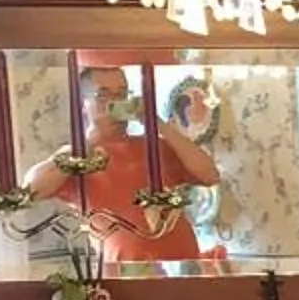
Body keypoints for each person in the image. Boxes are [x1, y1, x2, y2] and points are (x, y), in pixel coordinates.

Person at [24, 61, 218, 266]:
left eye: (122, 94)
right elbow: (31, 190)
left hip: (182, 267)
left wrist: (157, 124)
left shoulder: (154, 147)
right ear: (83, 105)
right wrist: (90, 140)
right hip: (123, 273)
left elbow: (210, 175)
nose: (115, 103)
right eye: (103, 95)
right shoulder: (76, 158)